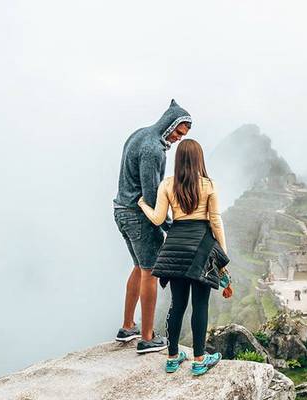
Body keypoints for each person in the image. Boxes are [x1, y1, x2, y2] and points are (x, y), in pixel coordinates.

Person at [138, 138, 229, 376]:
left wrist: (142, 204)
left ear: (178, 159)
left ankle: (172, 357)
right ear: (199, 159)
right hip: (201, 247)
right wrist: (223, 255)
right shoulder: (208, 185)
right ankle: (199, 359)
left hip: (175, 247)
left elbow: (158, 220)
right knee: (200, 305)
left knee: (177, 305)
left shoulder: (167, 184)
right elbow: (215, 222)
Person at [113, 99, 192, 354]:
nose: (179, 138)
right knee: (150, 272)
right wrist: (169, 225)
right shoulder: (154, 149)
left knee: (138, 267)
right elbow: (151, 196)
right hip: (139, 217)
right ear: (170, 124)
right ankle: (147, 338)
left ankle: (128, 327)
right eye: (178, 132)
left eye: (183, 135)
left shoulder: (139, 134)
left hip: (121, 211)